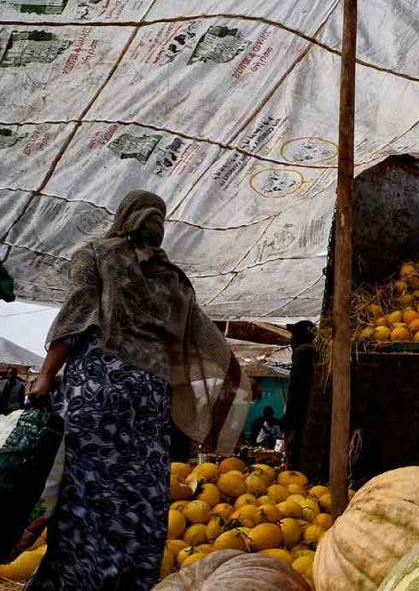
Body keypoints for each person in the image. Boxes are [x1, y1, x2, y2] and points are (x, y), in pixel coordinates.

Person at [25, 190, 251, 591]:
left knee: (86, 492)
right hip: (148, 401)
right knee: (139, 493)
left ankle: (73, 580)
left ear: (124, 214)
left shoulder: (96, 254)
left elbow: (77, 317)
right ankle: (131, 579)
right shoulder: (175, 280)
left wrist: (45, 375)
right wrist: (224, 394)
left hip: (98, 387)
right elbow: (205, 342)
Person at [284, 320, 317, 471]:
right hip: (308, 409)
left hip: (301, 410)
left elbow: (296, 385)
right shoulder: (313, 351)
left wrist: (289, 414)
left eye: (293, 335)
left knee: (297, 445)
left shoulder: (303, 351)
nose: (290, 340)